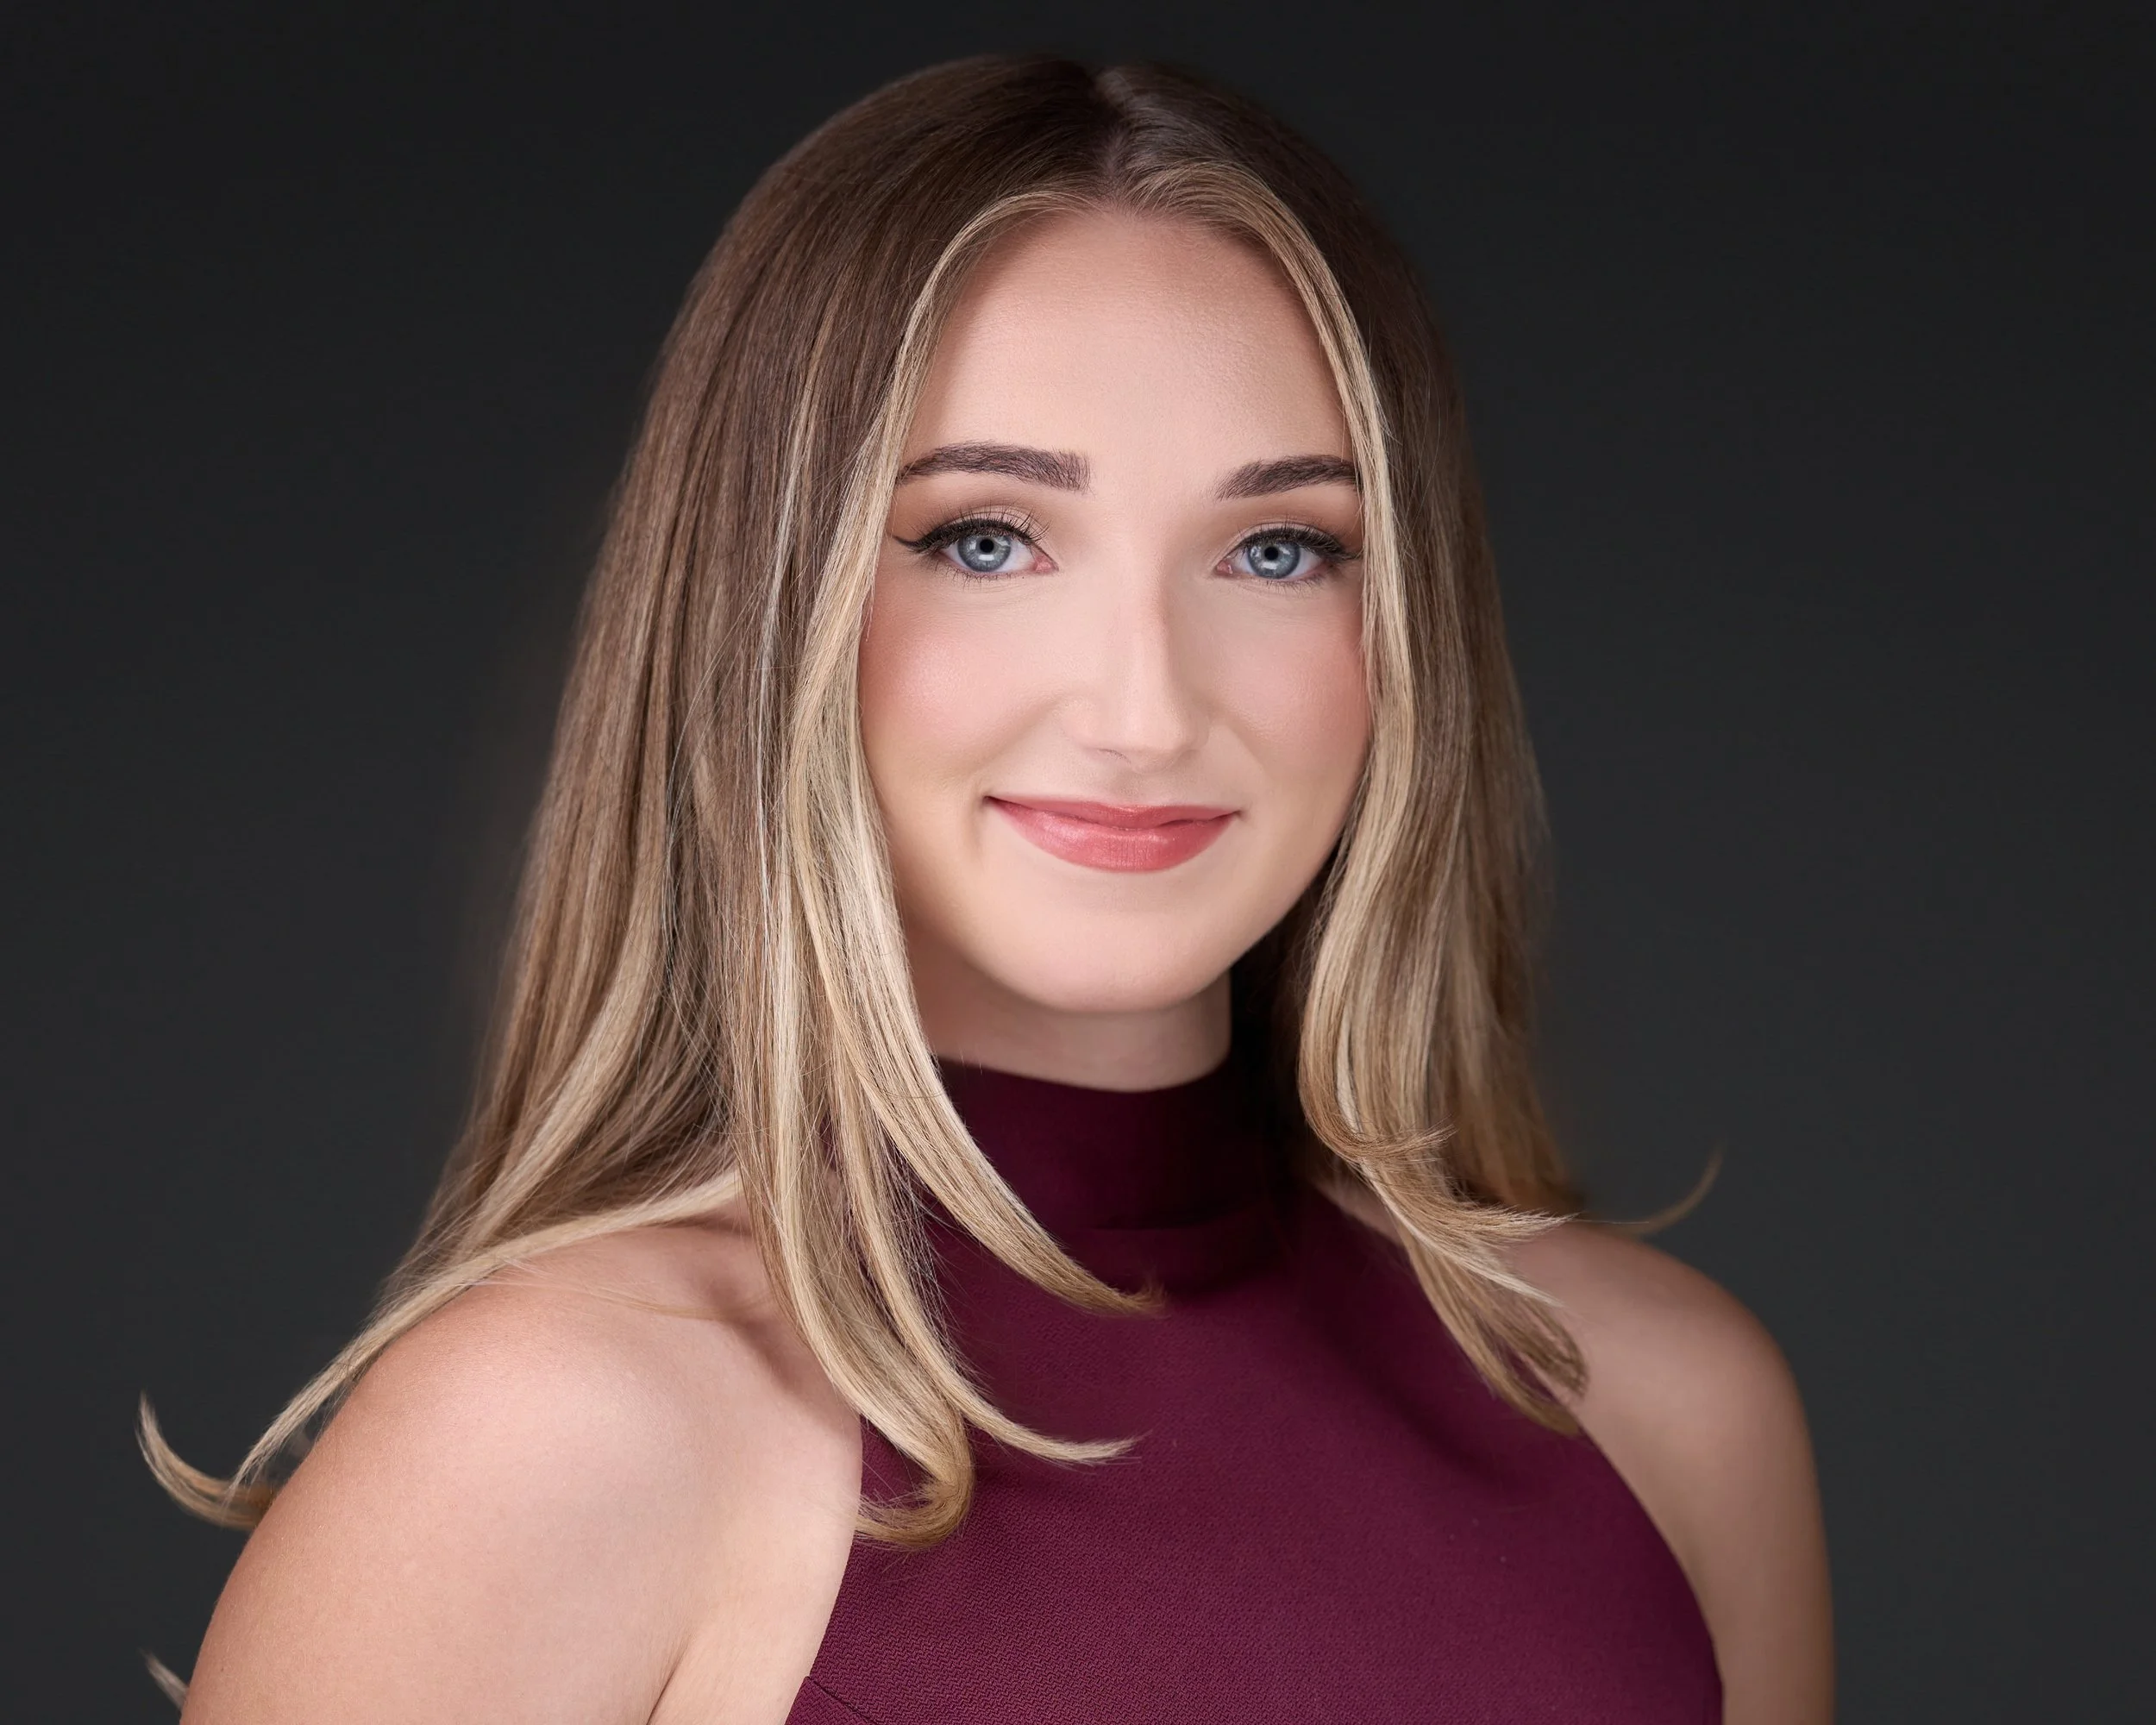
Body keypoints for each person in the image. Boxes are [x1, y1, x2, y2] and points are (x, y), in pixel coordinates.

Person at [147, 55, 1832, 1723]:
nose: (1142, 708)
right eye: (983, 537)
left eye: (1276, 549)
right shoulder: (546, 1436)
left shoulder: (1668, 1406)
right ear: (766, 606)